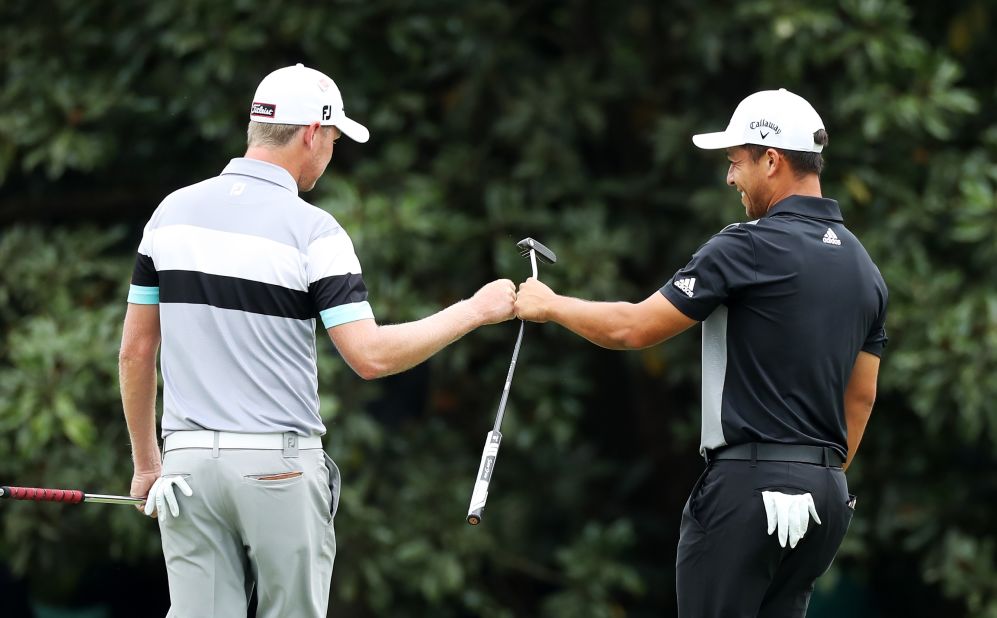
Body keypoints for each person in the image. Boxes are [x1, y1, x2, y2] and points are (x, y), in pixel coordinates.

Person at [118, 63, 516, 617]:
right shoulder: (315, 231)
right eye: (332, 139)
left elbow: (137, 352)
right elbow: (370, 357)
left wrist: (147, 464)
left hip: (185, 468)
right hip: (276, 467)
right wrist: (474, 311)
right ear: (311, 133)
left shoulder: (170, 214)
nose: (329, 155)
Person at [514, 88, 887, 617]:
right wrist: (814, 478)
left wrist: (551, 305)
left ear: (772, 160)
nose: (731, 178)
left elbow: (634, 329)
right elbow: (863, 396)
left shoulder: (746, 245)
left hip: (747, 490)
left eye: (736, 163)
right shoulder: (864, 268)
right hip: (824, 497)